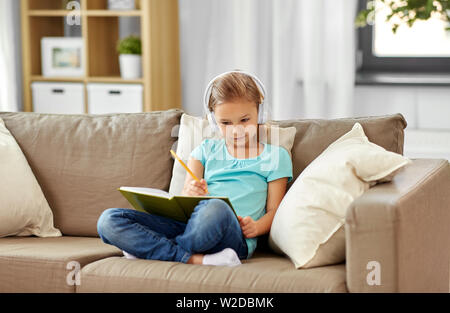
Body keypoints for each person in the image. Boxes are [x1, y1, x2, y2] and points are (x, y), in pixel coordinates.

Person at [97, 70, 293, 266]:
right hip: (188, 226)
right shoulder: (204, 150)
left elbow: (275, 211)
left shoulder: (276, 156)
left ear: (260, 114)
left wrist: (257, 227)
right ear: (214, 121)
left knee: (216, 207)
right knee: (109, 220)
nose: (236, 130)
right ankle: (192, 258)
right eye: (225, 123)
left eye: (244, 120)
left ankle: (151, 249)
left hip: (233, 236)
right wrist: (191, 193)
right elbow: (184, 202)